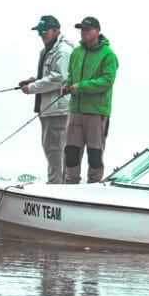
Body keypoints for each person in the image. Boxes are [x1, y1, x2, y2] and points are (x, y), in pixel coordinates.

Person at [61, 16, 119, 183]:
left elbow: (107, 81)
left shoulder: (108, 55)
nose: (83, 32)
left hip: (96, 112)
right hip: (75, 110)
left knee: (95, 154)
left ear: (97, 31)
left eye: (87, 29)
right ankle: (69, 185)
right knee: (71, 152)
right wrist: (66, 84)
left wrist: (81, 87)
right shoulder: (76, 52)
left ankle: (93, 187)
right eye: (81, 29)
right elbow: (71, 75)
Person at [19, 15, 74, 184]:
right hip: (47, 109)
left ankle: (56, 185)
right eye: (39, 31)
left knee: (55, 149)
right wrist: (33, 80)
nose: (40, 34)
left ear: (55, 31)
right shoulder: (48, 50)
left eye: (43, 31)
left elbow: (59, 78)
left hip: (58, 109)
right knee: (51, 147)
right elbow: (49, 75)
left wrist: (32, 88)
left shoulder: (63, 50)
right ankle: (56, 181)